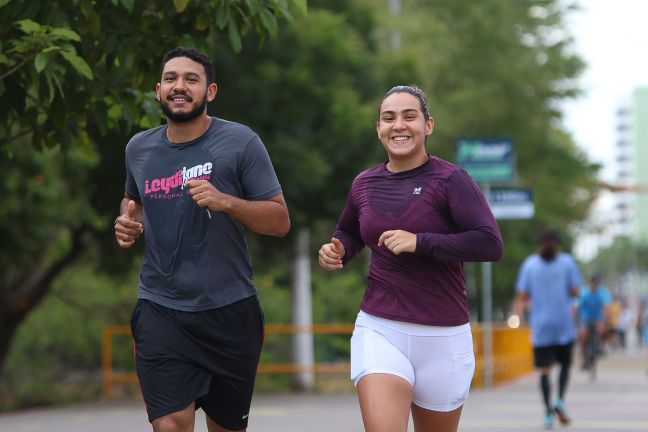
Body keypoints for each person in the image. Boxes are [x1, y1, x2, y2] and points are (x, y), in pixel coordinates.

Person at [113, 47, 290, 432]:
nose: (180, 86)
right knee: (170, 424)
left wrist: (226, 201)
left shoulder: (241, 142)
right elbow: (135, 201)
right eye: (172, 79)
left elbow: (279, 221)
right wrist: (128, 222)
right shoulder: (138, 148)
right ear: (159, 90)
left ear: (210, 91)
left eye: (191, 80)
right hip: (161, 308)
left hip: (230, 311)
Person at [318, 85, 503, 432]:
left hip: (444, 336)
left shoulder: (451, 180)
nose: (398, 125)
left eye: (409, 116)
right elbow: (349, 232)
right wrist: (337, 250)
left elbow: (489, 243)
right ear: (378, 128)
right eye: (389, 118)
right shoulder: (364, 184)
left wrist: (421, 242)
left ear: (428, 125)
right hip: (380, 327)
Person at [514, 229, 581, 430]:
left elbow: (522, 296)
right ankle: (560, 399)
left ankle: (548, 414)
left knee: (544, 371)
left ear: (539, 245)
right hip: (564, 323)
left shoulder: (530, 265)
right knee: (565, 365)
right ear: (558, 245)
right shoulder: (567, 262)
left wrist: (521, 314)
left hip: (541, 325)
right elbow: (576, 290)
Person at [577, 275, 611, 368]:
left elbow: (605, 307)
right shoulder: (584, 294)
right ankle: (585, 358)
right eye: (593, 283)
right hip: (585, 319)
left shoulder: (601, 294)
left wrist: (606, 318)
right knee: (583, 337)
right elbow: (578, 307)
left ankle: (600, 346)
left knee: (603, 331)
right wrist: (576, 318)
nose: (594, 286)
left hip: (597, 319)